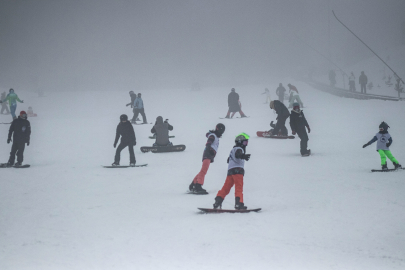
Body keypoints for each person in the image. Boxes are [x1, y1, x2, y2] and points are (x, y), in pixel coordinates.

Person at [213, 133, 251, 210]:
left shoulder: (232, 150)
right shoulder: (239, 149)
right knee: (238, 187)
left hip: (230, 171)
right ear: (240, 142)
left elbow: (228, 160)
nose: (246, 144)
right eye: (245, 142)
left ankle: (218, 201)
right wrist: (243, 156)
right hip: (238, 171)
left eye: (246, 142)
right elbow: (238, 155)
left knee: (226, 188)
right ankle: (239, 203)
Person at [189, 123, 226, 194]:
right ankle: (198, 186)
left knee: (203, 170)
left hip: (209, 155)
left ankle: (193, 184)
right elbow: (208, 143)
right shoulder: (213, 136)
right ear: (217, 128)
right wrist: (210, 150)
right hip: (208, 154)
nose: (221, 132)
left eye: (223, 130)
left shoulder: (215, 136)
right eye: (221, 130)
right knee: (204, 171)